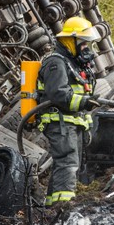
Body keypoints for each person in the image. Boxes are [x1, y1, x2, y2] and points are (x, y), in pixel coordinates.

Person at [36, 16, 100, 207]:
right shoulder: (56, 63)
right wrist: (85, 102)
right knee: (68, 163)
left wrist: (87, 125)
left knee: (67, 164)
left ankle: (51, 206)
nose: (87, 48)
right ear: (70, 41)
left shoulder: (74, 64)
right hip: (59, 122)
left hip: (72, 122)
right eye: (84, 43)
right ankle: (64, 208)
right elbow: (58, 94)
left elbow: (80, 95)